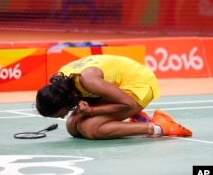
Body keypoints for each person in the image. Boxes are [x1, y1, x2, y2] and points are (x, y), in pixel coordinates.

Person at [36, 55, 192, 140]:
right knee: (73, 126)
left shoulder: (88, 80)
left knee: (90, 129)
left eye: (60, 113)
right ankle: (140, 118)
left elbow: (128, 104)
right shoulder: (61, 81)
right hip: (117, 86)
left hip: (139, 82)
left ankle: (160, 127)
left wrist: (90, 111)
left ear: (61, 101)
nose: (63, 115)